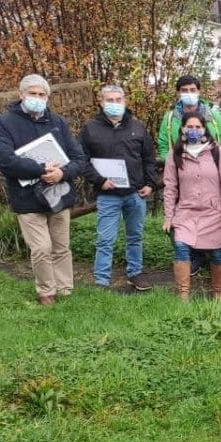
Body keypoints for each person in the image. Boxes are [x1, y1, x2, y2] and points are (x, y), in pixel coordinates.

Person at [0, 74, 87, 306]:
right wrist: (41, 169)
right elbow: (5, 161)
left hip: (58, 195)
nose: (37, 98)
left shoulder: (58, 122)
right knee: (42, 248)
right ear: (21, 95)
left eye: (41, 94)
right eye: (32, 94)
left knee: (61, 246)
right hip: (27, 198)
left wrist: (62, 173)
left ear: (48, 97)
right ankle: (46, 291)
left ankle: (65, 289)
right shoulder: (5, 123)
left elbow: (79, 158)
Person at [79, 85, 157, 291]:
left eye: (118, 100)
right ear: (101, 102)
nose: (114, 104)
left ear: (125, 101)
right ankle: (101, 280)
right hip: (108, 194)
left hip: (135, 194)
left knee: (135, 236)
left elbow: (149, 159)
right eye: (109, 100)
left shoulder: (138, 127)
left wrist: (150, 184)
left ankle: (135, 273)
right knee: (105, 239)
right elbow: (81, 160)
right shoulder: (90, 128)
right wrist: (98, 180)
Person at [156, 74, 221, 276]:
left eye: (192, 90)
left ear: (199, 92)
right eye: (184, 90)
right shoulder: (169, 119)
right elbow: (164, 145)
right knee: (184, 219)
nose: (189, 94)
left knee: (213, 215)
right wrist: (175, 164)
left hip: (210, 177)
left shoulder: (213, 116)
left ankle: (218, 258)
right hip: (183, 177)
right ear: (178, 93)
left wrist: (218, 164)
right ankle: (194, 257)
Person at [162, 114, 221, 300]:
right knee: (180, 248)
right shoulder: (175, 154)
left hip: (214, 213)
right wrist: (168, 217)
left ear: (205, 129)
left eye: (198, 126)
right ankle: (183, 297)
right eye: (190, 126)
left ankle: (218, 293)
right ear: (183, 129)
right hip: (186, 212)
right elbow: (170, 187)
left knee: (217, 254)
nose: (193, 130)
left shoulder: (217, 152)